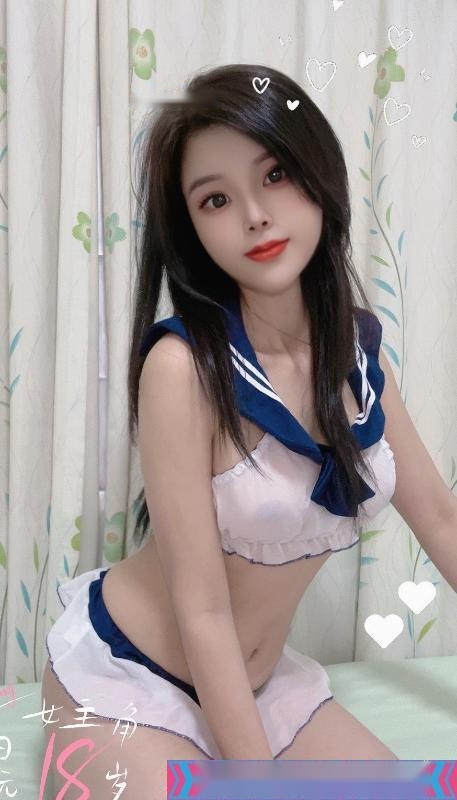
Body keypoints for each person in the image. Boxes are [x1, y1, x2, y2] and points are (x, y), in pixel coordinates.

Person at [41, 63, 398, 797]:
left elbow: (445, 520)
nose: (255, 215)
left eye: (275, 175)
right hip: (131, 680)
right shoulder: (181, 367)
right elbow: (202, 612)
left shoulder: (356, 355)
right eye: (215, 199)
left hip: (259, 686)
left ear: (319, 173)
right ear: (192, 230)